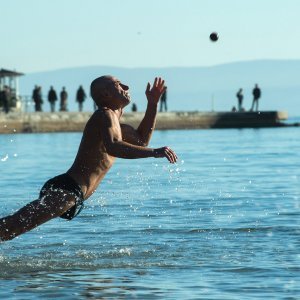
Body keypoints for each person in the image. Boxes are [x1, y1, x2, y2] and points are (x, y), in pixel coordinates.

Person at [0, 76, 177, 242]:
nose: (126, 87)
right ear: (106, 94)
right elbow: (114, 146)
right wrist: (155, 152)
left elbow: (141, 141)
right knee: (12, 227)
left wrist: (153, 104)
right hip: (67, 189)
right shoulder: (104, 115)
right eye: (119, 84)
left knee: (12, 227)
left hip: (73, 194)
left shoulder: (116, 125)